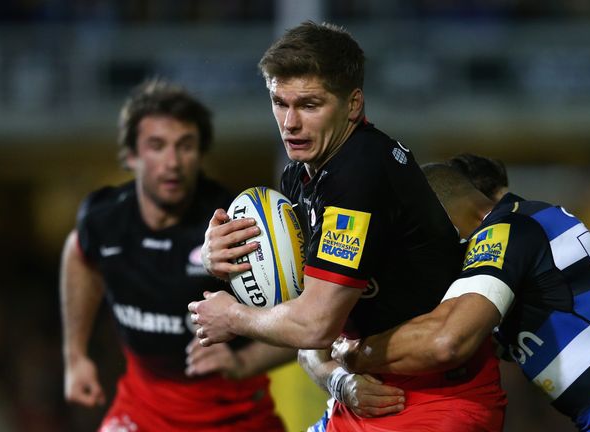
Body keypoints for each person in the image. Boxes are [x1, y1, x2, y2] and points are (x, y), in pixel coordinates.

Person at [189, 22, 506, 431]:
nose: (289, 123)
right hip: (370, 390)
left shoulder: (359, 175)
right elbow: (300, 310)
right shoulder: (302, 177)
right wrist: (229, 260)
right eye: (279, 102)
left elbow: (315, 324)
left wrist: (233, 317)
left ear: (353, 104)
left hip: (436, 400)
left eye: (309, 105)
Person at [332, 156, 590, 432]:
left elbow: (445, 340)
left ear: (436, 214)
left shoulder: (506, 230)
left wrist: (354, 353)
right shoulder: (530, 231)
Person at [59, 79, 295, 431]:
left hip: (232, 414)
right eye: (157, 146)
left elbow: (301, 322)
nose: (172, 162)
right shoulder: (104, 218)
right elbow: (78, 253)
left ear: (200, 154)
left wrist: (243, 361)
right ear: (131, 156)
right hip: (143, 408)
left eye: (185, 146)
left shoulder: (234, 225)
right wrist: (75, 356)